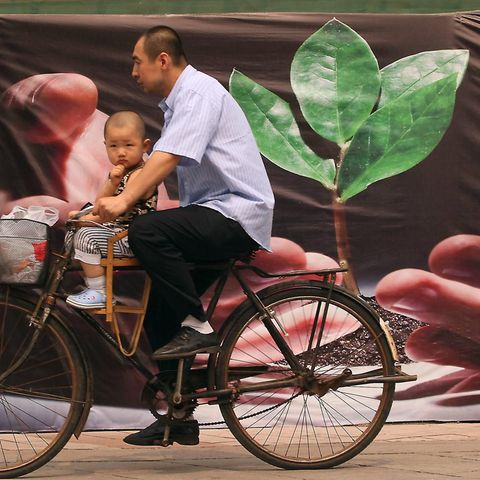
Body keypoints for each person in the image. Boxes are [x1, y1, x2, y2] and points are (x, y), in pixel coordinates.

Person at [93, 25, 275, 445]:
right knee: (158, 308)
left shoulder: (198, 94)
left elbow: (166, 158)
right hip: (212, 213)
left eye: (137, 61)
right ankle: (180, 415)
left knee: (146, 232)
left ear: (162, 59)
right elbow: (158, 161)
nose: (133, 71)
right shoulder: (178, 102)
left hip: (236, 214)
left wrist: (122, 204)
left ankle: (198, 323)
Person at [65, 111, 157, 309]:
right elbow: (101, 204)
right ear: (105, 146)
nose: (121, 152)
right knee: (72, 236)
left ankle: (99, 291)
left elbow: (110, 213)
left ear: (145, 146)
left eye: (128, 145)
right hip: (114, 233)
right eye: (114, 146)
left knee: (85, 236)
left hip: (132, 237)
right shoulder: (119, 173)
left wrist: (85, 221)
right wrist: (111, 182)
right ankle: (94, 283)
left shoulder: (142, 173)